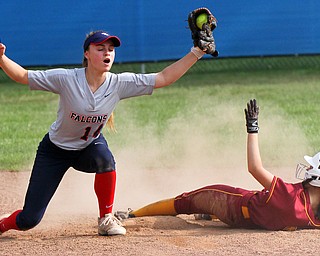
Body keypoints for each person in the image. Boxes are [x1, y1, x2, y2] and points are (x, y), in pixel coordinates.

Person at [0, 30, 216, 236]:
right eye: (100, 48)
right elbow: (23, 76)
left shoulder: (118, 83)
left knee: (105, 160)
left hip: (89, 146)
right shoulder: (67, 79)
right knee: (29, 220)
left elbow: (163, 78)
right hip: (55, 151)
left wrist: (196, 52)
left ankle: (106, 218)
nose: (107, 53)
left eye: (111, 49)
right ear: (87, 54)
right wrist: (1, 59)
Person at [115, 99, 320, 231]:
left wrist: (252, 128)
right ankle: (209, 214)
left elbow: (254, 168)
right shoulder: (313, 220)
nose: (308, 169)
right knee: (229, 206)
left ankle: (134, 214)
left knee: (188, 200)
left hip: (235, 205)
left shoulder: (287, 195)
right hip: (254, 219)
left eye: (312, 167)